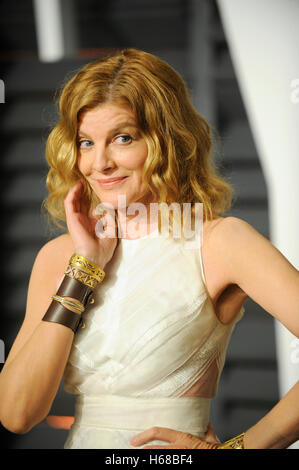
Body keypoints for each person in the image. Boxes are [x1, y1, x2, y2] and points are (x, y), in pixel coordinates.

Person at [0, 48, 298, 450]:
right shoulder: (58, 258)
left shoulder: (221, 242)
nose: (99, 163)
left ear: (168, 139)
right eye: (86, 142)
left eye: (123, 138)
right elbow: (17, 414)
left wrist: (244, 448)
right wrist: (83, 268)